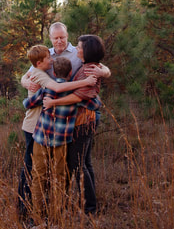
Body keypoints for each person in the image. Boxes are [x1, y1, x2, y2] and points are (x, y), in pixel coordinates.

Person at [17, 44, 96, 218]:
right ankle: (57, 212)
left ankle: (37, 212)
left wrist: (34, 93)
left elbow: (27, 104)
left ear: (54, 73)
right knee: (60, 176)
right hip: (61, 142)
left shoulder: (46, 91)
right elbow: (94, 104)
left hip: (41, 139)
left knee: (39, 175)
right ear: (70, 74)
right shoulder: (73, 95)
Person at [43, 34, 107, 215]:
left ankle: (90, 208)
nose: (77, 49)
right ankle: (89, 204)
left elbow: (79, 96)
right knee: (85, 162)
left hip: (84, 121)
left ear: (87, 51)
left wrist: (53, 103)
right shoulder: (89, 66)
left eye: (80, 47)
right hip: (84, 120)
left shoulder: (90, 70)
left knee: (77, 164)